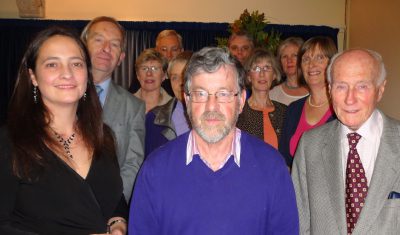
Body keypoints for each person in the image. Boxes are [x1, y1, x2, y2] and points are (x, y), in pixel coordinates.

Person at [129, 47, 298, 235]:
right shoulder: (155, 170)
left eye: (223, 94)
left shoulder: (272, 167)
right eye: (201, 94)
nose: (211, 106)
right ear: (187, 100)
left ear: (241, 101)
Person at [0, 26, 127, 234]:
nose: (67, 73)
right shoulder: (10, 141)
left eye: (76, 64)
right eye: (52, 64)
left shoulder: (103, 136)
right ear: (33, 76)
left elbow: (113, 195)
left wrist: (117, 222)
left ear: (87, 73)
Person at [291, 48, 399, 234]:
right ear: (330, 89)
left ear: (380, 90)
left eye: (362, 86)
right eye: (341, 86)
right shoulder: (310, 146)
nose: (350, 99)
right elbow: (300, 223)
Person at [81, 16, 145, 203]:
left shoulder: (134, 107)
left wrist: (114, 206)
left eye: (114, 44)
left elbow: (133, 164)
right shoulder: (58, 94)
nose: (106, 48)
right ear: (82, 47)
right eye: (99, 39)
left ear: (120, 59)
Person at [279, 36, 337, 167]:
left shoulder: (341, 110)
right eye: (306, 59)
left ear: (332, 64)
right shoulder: (293, 109)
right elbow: (284, 160)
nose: (312, 65)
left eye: (320, 57)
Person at [144, 51, 192, 157]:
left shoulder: (214, 118)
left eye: (185, 76)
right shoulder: (154, 119)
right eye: (175, 78)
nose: (181, 83)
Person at [237, 48, 287, 149]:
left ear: (274, 75)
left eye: (267, 68)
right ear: (249, 77)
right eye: (256, 68)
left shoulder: (285, 111)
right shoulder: (238, 113)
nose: (262, 74)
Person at [270, 37, 309, 105]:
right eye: (285, 57)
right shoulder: (272, 94)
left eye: (294, 55)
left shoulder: (314, 91)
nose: (289, 60)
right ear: (280, 62)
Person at [133, 48, 172, 113]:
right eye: (144, 68)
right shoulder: (125, 104)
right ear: (138, 75)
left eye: (155, 68)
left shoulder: (173, 107)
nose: (149, 74)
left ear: (164, 75)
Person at [154, 29, 184, 97]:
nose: (169, 55)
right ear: (156, 51)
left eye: (174, 49)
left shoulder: (190, 77)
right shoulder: (146, 76)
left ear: (181, 51)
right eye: (164, 50)